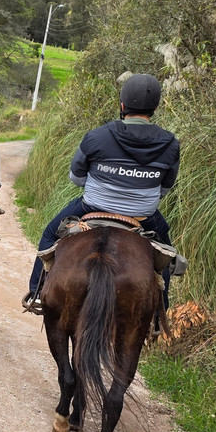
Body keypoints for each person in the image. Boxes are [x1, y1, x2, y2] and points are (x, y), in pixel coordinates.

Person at [23, 73, 179, 314]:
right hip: (143, 215)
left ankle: (37, 292)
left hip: (92, 207)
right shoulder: (170, 144)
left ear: (122, 105)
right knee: (165, 255)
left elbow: (76, 177)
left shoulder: (97, 136)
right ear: (155, 108)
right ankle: (160, 313)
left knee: (49, 234)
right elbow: (164, 189)